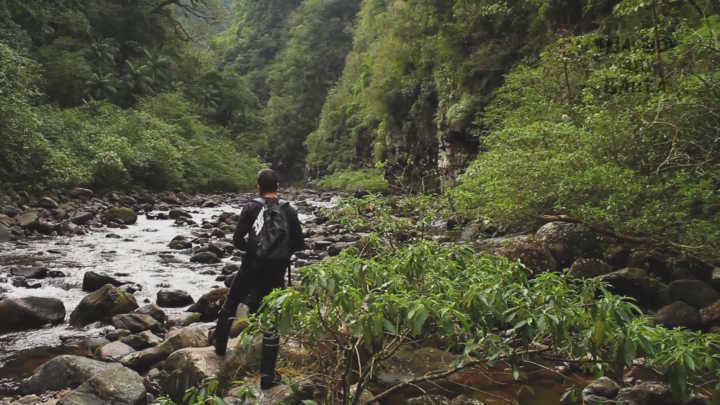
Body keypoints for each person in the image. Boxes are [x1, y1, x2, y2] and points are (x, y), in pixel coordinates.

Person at [214, 168, 304, 390]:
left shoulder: (251, 207)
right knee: (271, 318)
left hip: (251, 266)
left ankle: (220, 348)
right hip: (276, 271)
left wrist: (253, 250)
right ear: (278, 187)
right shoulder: (288, 210)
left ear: (258, 186)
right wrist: (280, 255)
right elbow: (299, 244)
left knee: (231, 303)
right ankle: (267, 375)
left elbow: (237, 239)